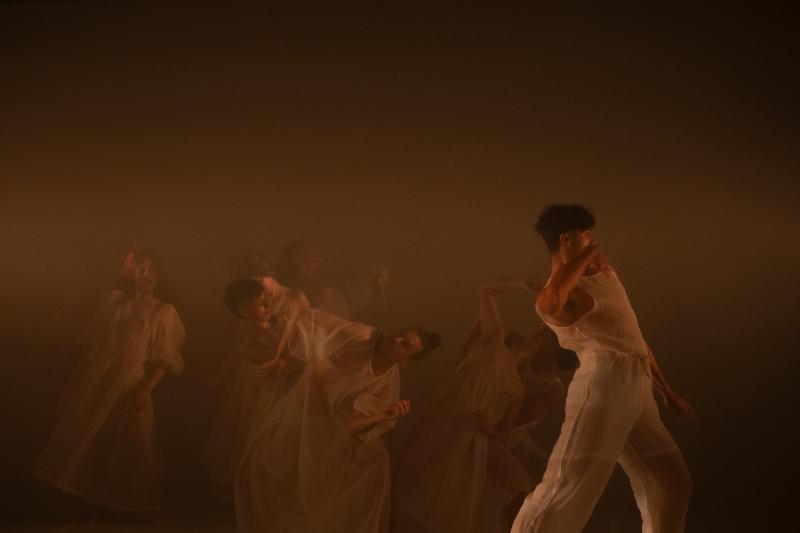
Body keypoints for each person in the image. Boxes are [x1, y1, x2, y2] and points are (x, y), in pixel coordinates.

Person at [512, 204, 694, 533]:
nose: (594, 241)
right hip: (603, 387)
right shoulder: (564, 292)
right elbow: (550, 302)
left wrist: (665, 389)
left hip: (635, 386)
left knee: (671, 482)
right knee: (566, 484)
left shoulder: (602, 279)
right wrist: (588, 254)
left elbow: (634, 341)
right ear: (566, 240)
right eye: (587, 236)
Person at [235, 321, 441, 533]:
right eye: (399, 333)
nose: (395, 340)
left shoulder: (387, 382)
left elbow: (350, 425)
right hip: (307, 406)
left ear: (406, 362)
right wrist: (280, 362)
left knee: (377, 464)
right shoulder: (363, 337)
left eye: (404, 346)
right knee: (274, 471)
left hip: (332, 423)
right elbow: (306, 322)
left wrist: (382, 415)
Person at [32, 250, 185, 521]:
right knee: (92, 439)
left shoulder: (163, 311)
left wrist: (144, 389)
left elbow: (165, 358)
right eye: (140, 269)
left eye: (151, 270)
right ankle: (90, 504)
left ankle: (147, 507)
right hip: (101, 378)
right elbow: (94, 342)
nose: (145, 275)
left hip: (131, 381)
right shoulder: (114, 301)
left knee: (137, 445)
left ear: (160, 275)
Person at [393, 279, 552, 533]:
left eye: (540, 338)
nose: (532, 339)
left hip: (469, 439)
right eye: (531, 335)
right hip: (444, 421)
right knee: (419, 485)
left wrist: (489, 428)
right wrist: (521, 284)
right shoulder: (494, 342)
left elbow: (504, 434)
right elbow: (485, 291)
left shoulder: (517, 389)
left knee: (444, 500)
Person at [203, 251, 308, 494]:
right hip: (264, 381)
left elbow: (308, 332)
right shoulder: (250, 324)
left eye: (259, 278)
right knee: (255, 429)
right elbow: (246, 349)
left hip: (292, 374)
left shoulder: (290, 302)